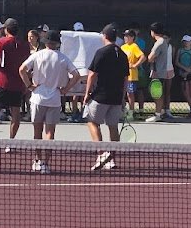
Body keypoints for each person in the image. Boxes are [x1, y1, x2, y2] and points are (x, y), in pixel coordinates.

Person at [19, 29, 80, 175]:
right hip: (54, 99)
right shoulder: (63, 58)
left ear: (45, 42)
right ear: (57, 43)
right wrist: (66, 89)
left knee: (37, 132)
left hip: (38, 99)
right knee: (50, 133)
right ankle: (44, 164)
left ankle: (37, 160)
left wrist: (29, 86)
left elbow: (21, 69)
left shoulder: (37, 55)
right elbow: (76, 75)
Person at [86, 24, 130, 171]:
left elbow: (92, 74)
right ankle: (111, 159)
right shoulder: (123, 54)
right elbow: (126, 79)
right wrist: (123, 97)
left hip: (101, 97)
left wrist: (87, 94)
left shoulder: (101, 52)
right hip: (116, 98)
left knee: (92, 122)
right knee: (113, 127)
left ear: (104, 36)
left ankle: (102, 154)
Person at [0, 18, 31, 140]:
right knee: (16, 113)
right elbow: (27, 66)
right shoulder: (25, 45)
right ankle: (11, 142)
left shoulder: (1, 42)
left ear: (6, 29)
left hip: (3, 83)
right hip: (18, 84)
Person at [145, 22, 174, 122]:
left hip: (158, 72)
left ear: (153, 32)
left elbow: (150, 58)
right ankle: (159, 112)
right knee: (157, 93)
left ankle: (157, 114)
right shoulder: (162, 42)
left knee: (157, 94)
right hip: (159, 72)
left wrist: (151, 58)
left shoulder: (160, 42)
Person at [121, 30, 145, 119]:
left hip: (132, 75)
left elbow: (142, 57)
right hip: (123, 75)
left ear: (132, 37)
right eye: (125, 36)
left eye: (128, 36)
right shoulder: (123, 47)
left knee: (130, 94)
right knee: (123, 94)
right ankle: (123, 111)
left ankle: (131, 113)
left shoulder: (134, 46)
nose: (125, 38)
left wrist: (135, 65)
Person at [176, 35, 191, 118]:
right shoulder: (180, 50)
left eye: (187, 41)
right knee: (185, 92)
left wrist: (189, 70)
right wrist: (184, 69)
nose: (185, 43)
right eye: (184, 41)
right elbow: (177, 62)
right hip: (182, 74)